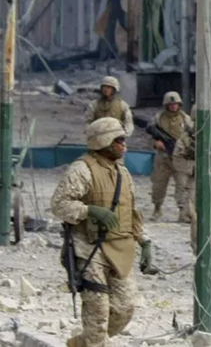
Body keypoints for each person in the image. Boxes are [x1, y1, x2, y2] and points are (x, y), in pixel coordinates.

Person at [51, 117, 154, 347]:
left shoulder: (123, 174)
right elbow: (59, 204)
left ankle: (82, 343)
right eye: (119, 140)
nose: (124, 145)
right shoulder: (82, 170)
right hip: (89, 248)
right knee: (98, 309)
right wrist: (90, 211)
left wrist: (144, 241)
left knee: (124, 308)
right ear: (104, 141)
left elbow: (131, 212)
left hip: (120, 248)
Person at [149, 92, 194, 222]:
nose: (173, 106)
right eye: (170, 104)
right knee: (158, 185)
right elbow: (149, 135)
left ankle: (183, 212)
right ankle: (157, 208)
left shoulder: (185, 119)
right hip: (163, 158)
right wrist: (155, 143)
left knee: (182, 185)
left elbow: (192, 135)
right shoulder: (158, 118)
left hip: (180, 159)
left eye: (175, 104)